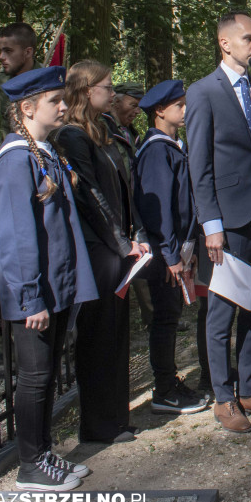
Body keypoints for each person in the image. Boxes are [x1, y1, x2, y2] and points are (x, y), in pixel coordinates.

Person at [0, 67, 98, 491]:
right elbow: (16, 237)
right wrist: (30, 297)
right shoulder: (15, 159)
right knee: (34, 377)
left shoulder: (43, 152)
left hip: (54, 286)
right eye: (55, 101)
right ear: (27, 108)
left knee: (47, 373)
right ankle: (31, 466)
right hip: (34, 292)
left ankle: (44, 452)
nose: (65, 106)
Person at [186, 11, 251, 434]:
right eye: (249, 38)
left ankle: (249, 388)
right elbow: (199, 166)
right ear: (225, 43)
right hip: (226, 220)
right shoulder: (203, 92)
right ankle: (223, 398)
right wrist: (211, 225)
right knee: (222, 311)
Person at [55, 60, 149, 444]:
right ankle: (97, 425)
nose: (113, 94)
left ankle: (116, 416)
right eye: (107, 88)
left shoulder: (103, 130)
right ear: (86, 90)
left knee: (116, 334)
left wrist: (131, 237)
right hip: (97, 251)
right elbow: (90, 196)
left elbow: (120, 190)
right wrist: (121, 243)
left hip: (115, 248)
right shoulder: (72, 136)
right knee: (97, 336)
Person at [133, 80, 209, 415]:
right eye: (179, 105)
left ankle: (169, 381)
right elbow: (158, 208)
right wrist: (169, 254)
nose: (186, 110)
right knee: (164, 319)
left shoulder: (174, 146)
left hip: (178, 250)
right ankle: (163, 388)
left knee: (171, 315)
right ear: (159, 111)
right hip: (166, 254)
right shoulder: (155, 150)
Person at [102, 81, 153, 330]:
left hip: (132, 207)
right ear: (117, 101)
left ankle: (149, 314)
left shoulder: (130, 133)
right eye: (133, 105)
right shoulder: (104, 131)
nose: (136, 111)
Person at [0, 23, 40, 138]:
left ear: (28, 52)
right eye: (0, 51)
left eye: (8, 51)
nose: (1, 57)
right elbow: (4, 120)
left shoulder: (47, 79)